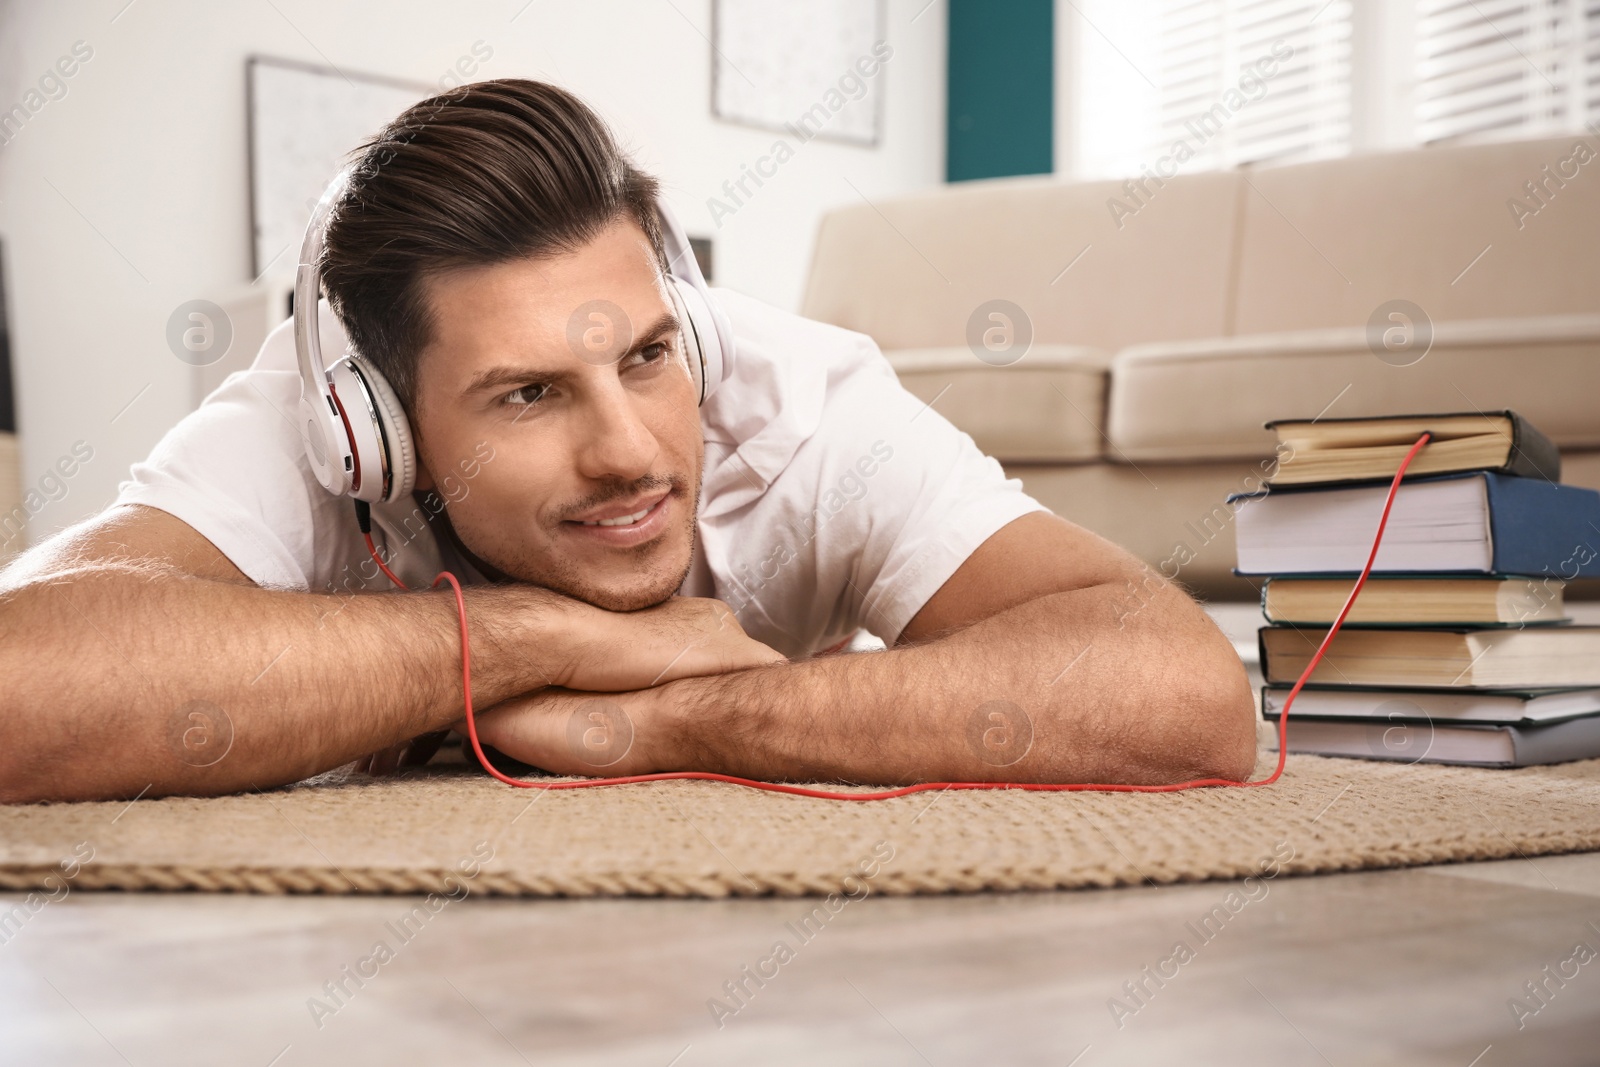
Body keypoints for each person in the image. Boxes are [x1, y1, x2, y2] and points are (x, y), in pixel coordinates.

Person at [0, 79, 1254, 803]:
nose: (631, 452)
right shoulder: (304, 424)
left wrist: (680, 720)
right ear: (378, 430)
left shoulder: (800, 400)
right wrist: (542, 640)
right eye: (528, 395)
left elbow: (1186, 699)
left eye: (647, 359)